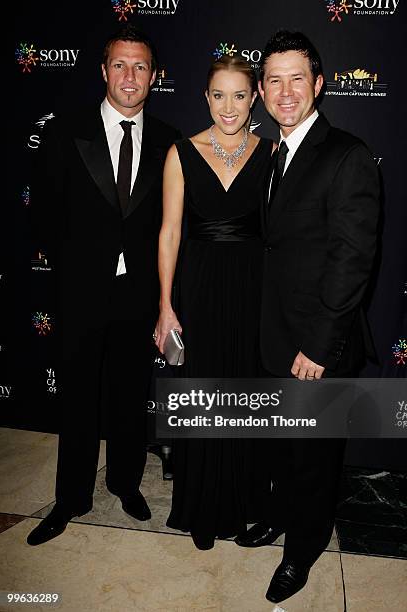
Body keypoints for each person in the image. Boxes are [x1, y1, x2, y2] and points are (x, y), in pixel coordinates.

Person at [234, 31, 380, 603]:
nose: (285, 90)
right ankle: (277, 516)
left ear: (319, 85)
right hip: (274, 337)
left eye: (298, 78)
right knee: (280, 447)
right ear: (262, 92)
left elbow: (352, 260)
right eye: (274, 79)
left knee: (315, 457)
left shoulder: (347, 155)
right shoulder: (273, 155)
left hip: (319, 345)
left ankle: (302, 552)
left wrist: (319, 347)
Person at [27, 25, 180, 546]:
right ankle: (70, 498)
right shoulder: (66, 131)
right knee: (78, 402)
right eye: (120, 65)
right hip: (80, 293)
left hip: (138, 295)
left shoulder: (169, 142)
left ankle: (125, 484)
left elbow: (170, 222)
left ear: (154, 76)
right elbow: (44, 213)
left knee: (130, 395)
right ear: (103, 71)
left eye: (140, 67)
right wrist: (75, 268)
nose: (129, 77)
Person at [154, 55, 274, 550]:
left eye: (240, 95)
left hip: (252, 292)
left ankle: (244, 504)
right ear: (205, 97)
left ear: (255, 99)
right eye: (219, 95)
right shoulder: (180, 153)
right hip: (197, 291)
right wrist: (165, 305)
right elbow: (169, 233)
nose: (229, 107)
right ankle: (201, 508)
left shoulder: (272, 153)